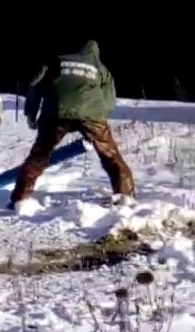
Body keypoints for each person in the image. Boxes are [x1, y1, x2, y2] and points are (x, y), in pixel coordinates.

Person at [11, 38, 135, 209]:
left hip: (56, 111)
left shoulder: (57, 61)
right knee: (111, 156)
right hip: (92, 114)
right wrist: (99, 117)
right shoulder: (100, 68)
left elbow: (36, 86)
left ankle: (20, 198)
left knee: (39, 156)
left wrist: (31, 114)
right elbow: (109, 99)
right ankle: (125, 197)